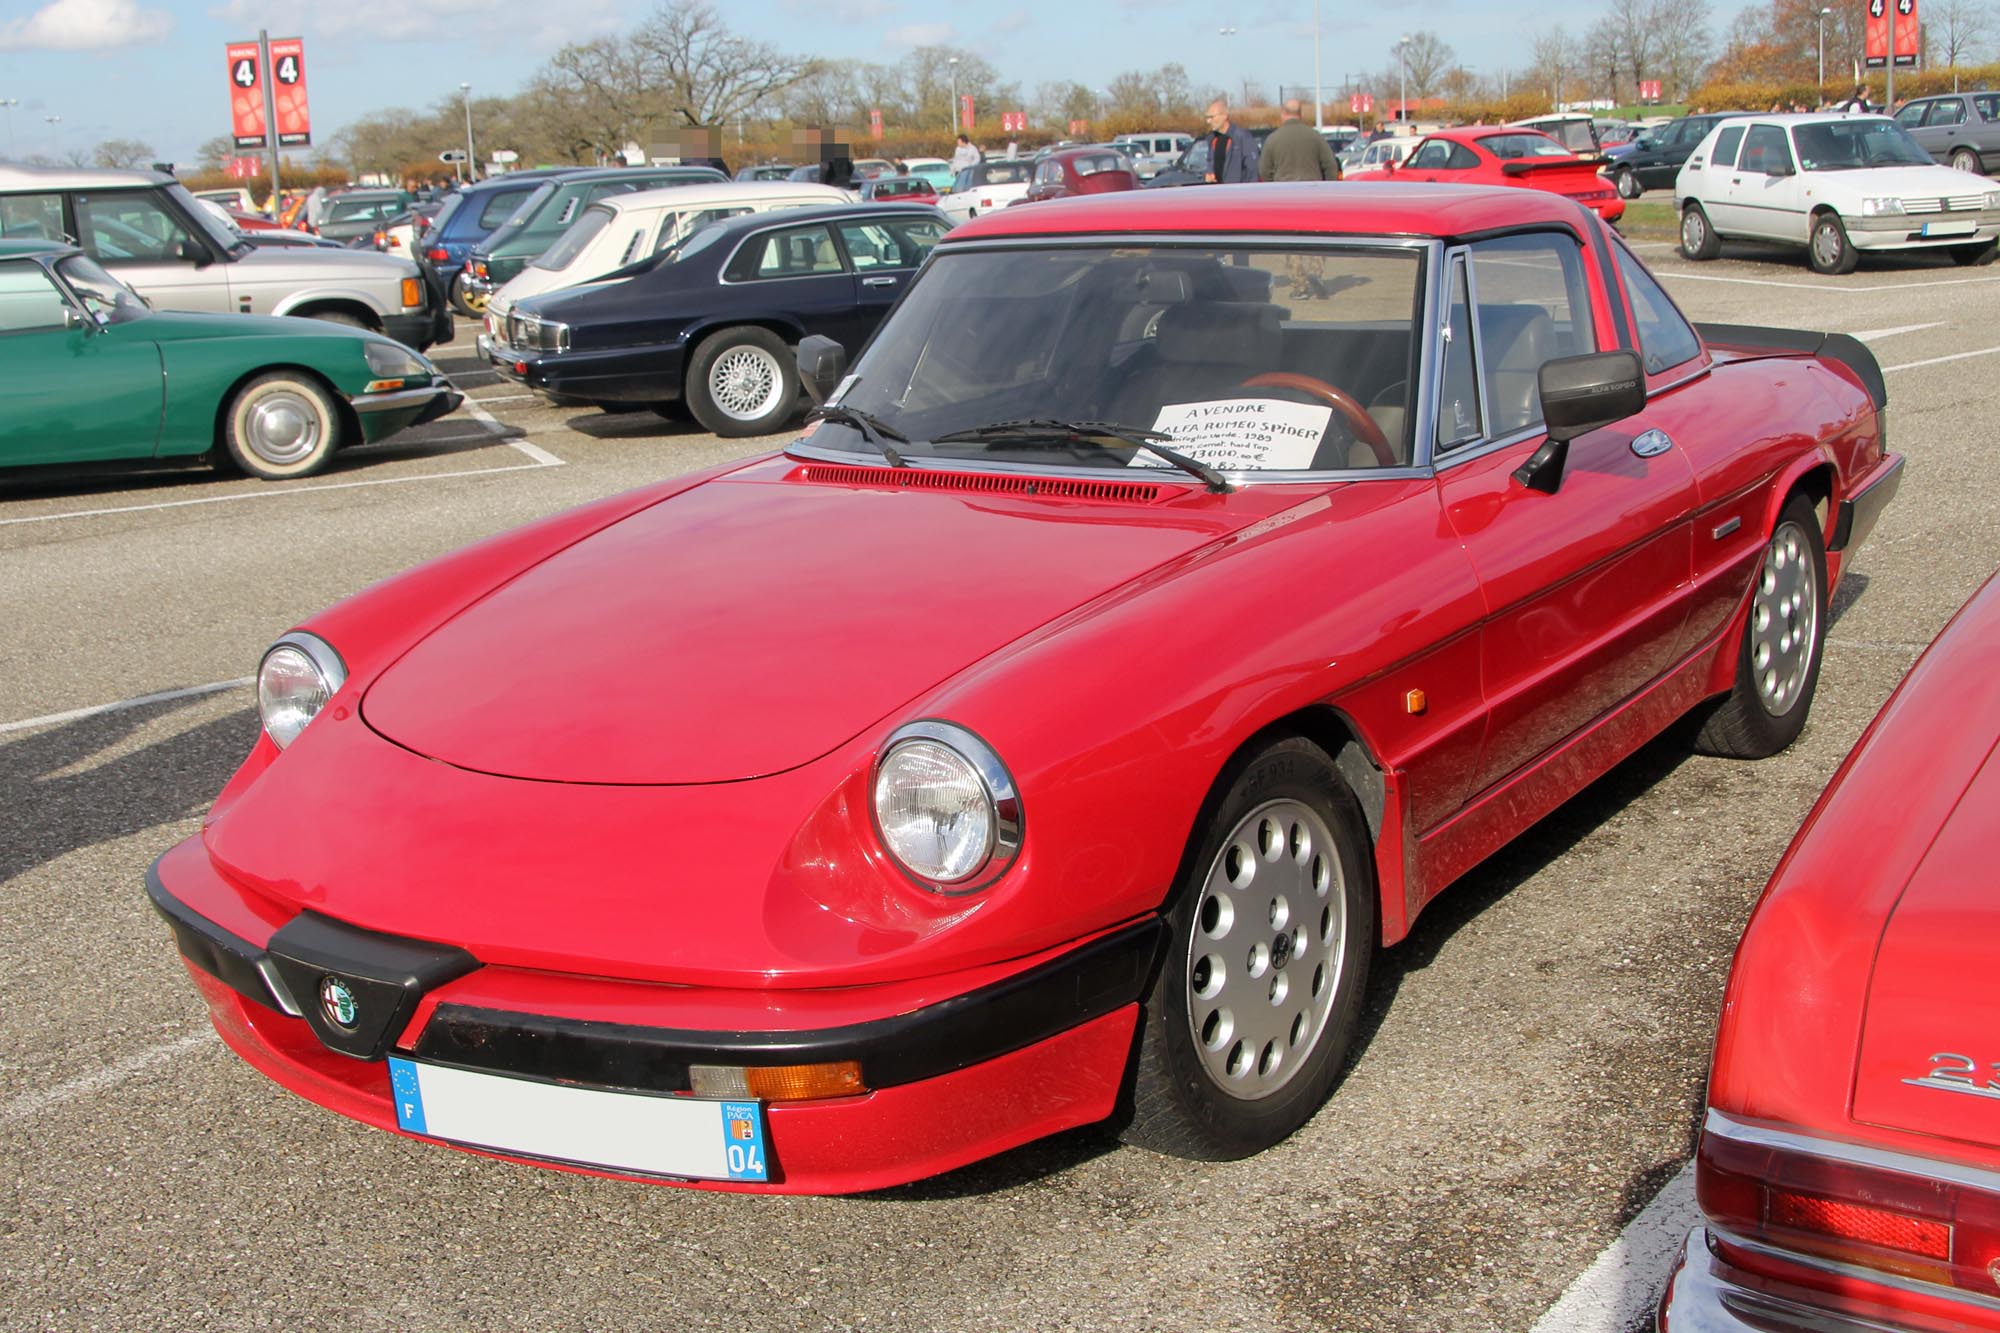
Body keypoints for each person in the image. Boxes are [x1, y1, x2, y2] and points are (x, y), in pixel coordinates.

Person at [1260, 98, 1341, 181]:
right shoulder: (1316, 137)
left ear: (1283, 113)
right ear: (1300, 114)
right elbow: (1331, 165)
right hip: (1312, 190)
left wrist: (1275, 187)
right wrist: (1325, 186)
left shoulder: (1272, 139)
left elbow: (1264, 171)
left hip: (1283, 190)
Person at [1203, 99, 1260, 183]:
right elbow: (1209, 165)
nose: (1208, 121)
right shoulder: (1212, 139)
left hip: (1237, 193)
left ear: (1224, 115)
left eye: (1211, 117)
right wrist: (1208, 175)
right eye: (1207, 118)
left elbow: (1252, 169)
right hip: (1217, 193)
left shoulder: (1242, 137)